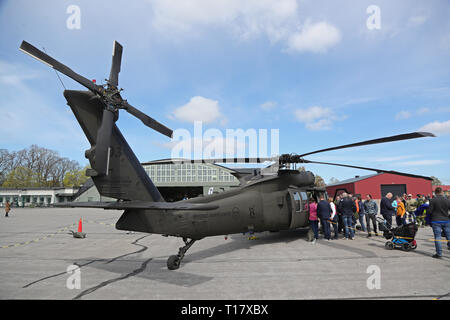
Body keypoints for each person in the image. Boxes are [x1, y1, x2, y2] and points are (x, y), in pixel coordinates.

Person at [428, 187, 450, 259]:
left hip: (436, 220)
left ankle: (439, 254)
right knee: (449, 236)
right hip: (446, 220)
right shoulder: (447, 200)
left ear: (435, 192)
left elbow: (429, 211)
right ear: (442, 192)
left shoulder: (432, 200)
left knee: (438, 238)